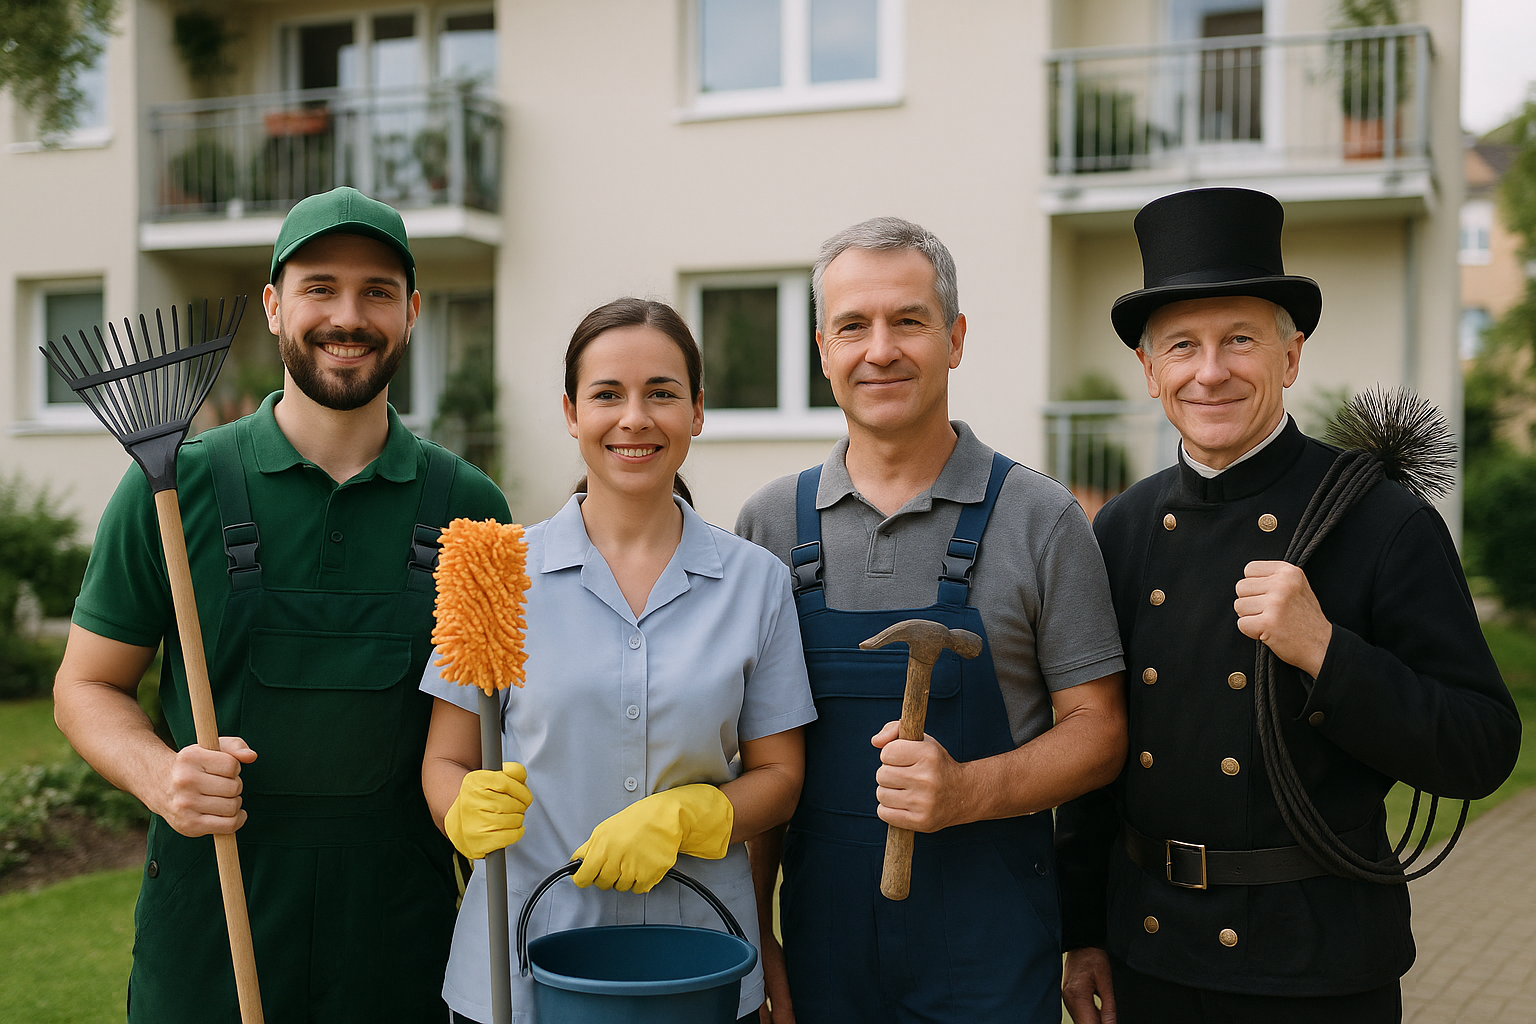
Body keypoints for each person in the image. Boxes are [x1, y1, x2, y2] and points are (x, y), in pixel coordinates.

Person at [1056, 187, 1523, 1024]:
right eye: (1183, 346)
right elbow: (1100, 748)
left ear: (1292, 354)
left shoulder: (1381, 518)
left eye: (1241, 339)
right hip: (1151, 955)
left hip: (1317, 966)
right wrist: (1083, 931)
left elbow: (1482, 747)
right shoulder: (1122, 526)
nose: (1211, 371)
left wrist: (1326, 651)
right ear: (1150, 370)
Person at [53, 186, 511, 1023]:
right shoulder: (174, 487)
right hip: (210, 930)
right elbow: (84, 686)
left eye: (377, 291)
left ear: (411, 311)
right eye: (319, 287)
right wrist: (164, 777)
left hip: (397, 946)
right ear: (273, 305)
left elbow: (484, 738)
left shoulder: (471, 510)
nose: (349, 315)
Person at [735, 217, 1129, 1024]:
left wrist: (967, 790)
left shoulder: (1042, 519)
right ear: (822, 350)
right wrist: (757, 937)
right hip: (820, 958)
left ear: (953, 338)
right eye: (853, 326)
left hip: (988, 960)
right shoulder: (769, 526)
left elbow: (1100, 730)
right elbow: (756, 759)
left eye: (907, 321)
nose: (880, 349)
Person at [420, 297, 816, 1024]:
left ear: (697, 411)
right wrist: (460, 809)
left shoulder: (756, 581)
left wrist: (695, 815)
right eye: (608, 395)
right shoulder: (497, 571)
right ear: (571, 413)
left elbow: (782, 779)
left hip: (696, 971)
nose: (635, 418)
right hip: (518, 975)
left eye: (661, 393)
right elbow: (443, 763)